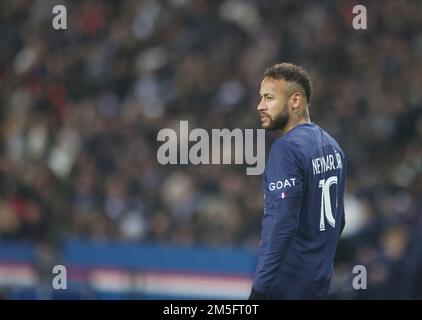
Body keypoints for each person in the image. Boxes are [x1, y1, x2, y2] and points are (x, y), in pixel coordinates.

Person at [249, 63, 347, 300]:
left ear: (295, 100)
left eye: (269, 98)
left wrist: (260, 289)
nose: (260, 106)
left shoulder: (287, 149)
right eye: (261, 98)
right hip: (316, 285)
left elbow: (283, 223)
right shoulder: (333, 147)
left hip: (285, 285)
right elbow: (339, 220)